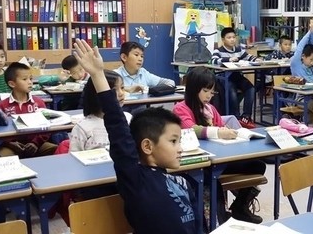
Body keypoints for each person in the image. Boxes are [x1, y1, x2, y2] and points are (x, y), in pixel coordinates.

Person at [73, 39, 201, 233]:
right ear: (147, 147)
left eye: (179, 141)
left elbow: (198, 226)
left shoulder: (183, 182)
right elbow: (118, 127)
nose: (180, 148)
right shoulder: (135, 179)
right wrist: (98, 75)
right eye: (173, 141)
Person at [172, 67, 266, 224]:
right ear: (194, 89)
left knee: (258, 166)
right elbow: (191, 129)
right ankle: (219, 221)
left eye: (212, 92)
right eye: (205, 91)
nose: (209, 96)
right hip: (199, 163)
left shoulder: (211, 109)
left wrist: (229, 133)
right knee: (211, 180)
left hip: (220, 158)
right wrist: (218, 132)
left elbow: (222, 127)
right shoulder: (180, 108)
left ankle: (240, 207)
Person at [0, 62, 57, 157]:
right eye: (24, 79)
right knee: (4, 155)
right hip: (11, 146)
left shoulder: (39, 103)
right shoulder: (1, 106)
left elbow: (47, 127)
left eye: (30, 79)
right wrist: (10, 143)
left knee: (55, 149)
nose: (30, 82)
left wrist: (35, 143)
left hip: (37, 144)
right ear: (12, 84)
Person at [69, 70, 132, 152]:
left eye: (122, 88)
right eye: (113, 90)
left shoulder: (128, 118)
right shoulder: (82, 128)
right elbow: (74, 158)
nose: (121, 93)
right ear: (96, 94)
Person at [211, 27, 258, 128]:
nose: (232, 39)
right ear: (223, 39)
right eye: (229, 37)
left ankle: (246, 117)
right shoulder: (218, 50)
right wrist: (229, 59)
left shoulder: (238, 50)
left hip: (236, 75)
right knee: (232, 92)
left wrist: (257, 60)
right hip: (223, 77)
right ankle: (235, 118)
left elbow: (249, 57)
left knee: (251, 88)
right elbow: (214, 61)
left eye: (233, 37)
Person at [289, 18, 313, 129]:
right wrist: (310, 31)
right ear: (303, 57)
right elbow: (301, 47)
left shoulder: (309, 68)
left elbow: (311, 45)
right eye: (311, 60)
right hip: (301, 99)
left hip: (312, 96)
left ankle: (308, 128)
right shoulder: (297, 63)